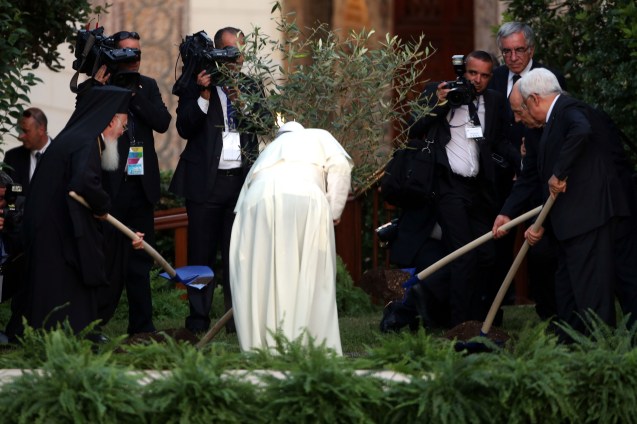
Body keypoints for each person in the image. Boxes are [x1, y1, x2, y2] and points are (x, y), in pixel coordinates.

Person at [493, 69, 637, 337]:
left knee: (597, 287)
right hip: (573, 219)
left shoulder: (570, 110)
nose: (519, 117)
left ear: (534, 99)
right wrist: (512, 214)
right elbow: (533, 176)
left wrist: (559, 173)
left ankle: (600, 348)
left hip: (595, 214)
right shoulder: (547, 124)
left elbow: (584, 135)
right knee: (569, 286)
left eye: (522, 108)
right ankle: (570, 342)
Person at [170, 27, 270, 334]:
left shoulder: (251, 84)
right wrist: (203, 95)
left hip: (239, 183)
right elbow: (185, 128)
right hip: (205, 184)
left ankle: (234, 320)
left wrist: (242, 102)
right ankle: (198, 321)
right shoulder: (197, 82)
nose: (237, 58)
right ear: (217, 52)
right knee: (201, 254)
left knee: (236, 255)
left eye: (240, 51)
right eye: (230, 52)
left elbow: (265, 124)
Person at [408, 50, 518, 327]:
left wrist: (523, 162)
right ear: (463, 71)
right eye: (472, 73)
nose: (477, 80)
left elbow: (500, 141)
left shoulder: (493, 100)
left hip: (479, 189)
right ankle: (459, 325)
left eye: (484, 75)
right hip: (448, 187)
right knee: (463, 255)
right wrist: (439, 102)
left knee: (487, 253)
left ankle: (481, 318)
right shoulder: (440, 92)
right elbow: (413, 127)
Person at [229, 121, 353, 354]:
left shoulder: (266, 154)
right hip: (305, 196)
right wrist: (334, 210)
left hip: (257, 203)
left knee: (263, 275)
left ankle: (265, 347)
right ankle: (311, 345)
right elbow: (340, 165)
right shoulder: (319, 134)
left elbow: (240, 210)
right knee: (311, 269)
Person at [21, 85, 132, 334]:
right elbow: (83, 182)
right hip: (55, 230)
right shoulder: (86, 142)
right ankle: (68, 338)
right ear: (112, 120)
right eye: (123, 126)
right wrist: (102, 205)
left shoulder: (79, 138)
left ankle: (69, 335)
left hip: (54, 227)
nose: (122, 133)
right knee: (63, 286)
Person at [87, 30, 172, 335]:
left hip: (141, 187)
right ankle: (94, 323)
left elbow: (162, 122)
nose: (134, 59)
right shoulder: (101, 85)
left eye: (138, 53)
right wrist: (102, 88)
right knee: (106, 261)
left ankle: (142, 328)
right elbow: (84, 121)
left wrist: (133, 96)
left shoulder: (146, 86)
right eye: (128, 53)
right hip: (111, 188)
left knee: (140, 261)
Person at [488, 21, 567, 318]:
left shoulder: (548, 79)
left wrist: (528, 162)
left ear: (531, 49)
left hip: (541, 180)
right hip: (505, 178)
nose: (513, 57)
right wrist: (515, 160)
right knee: (498, 248)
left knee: (542, 250)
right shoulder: (494, 79)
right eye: (506, 51)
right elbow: (492, 132)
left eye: (519, 50)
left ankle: (551, 314)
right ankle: (494, 315)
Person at [4, 108, 52, 196]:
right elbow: (7, 194)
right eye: (19, 131)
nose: (20, 136)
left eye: (25, 131)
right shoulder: (12, 157)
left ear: (41, 129)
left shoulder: (63, 155)